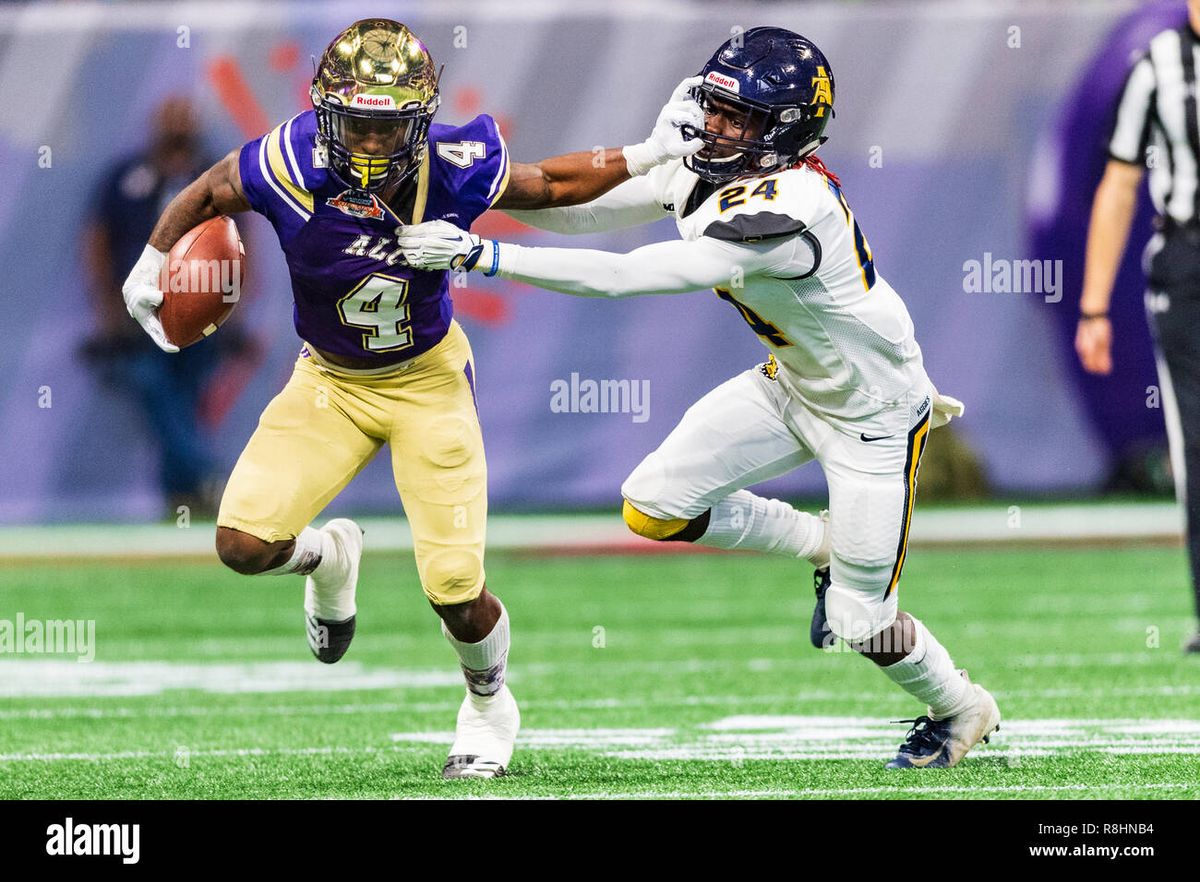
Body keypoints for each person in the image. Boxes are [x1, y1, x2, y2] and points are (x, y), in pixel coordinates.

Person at [397, 27, 999, 768]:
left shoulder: (793, 205)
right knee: (652, 504)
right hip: (793, 382)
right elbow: (587, 211)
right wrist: (481, 204)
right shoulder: (709, 166)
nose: (715, 127)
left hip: (873, 414)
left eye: (737, 118)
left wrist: (485, 255)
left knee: (858, 620)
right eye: (715, 106)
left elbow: (629, 276)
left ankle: (961, 707)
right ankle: (819, 540)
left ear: (784, 130)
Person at [119, 18, 703, 778]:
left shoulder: (451, 167)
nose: (367, 144)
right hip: (328, 380)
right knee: (242, 545)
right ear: (325, 116)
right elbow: (207, 191)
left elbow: (552, 185)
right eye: (354, 124)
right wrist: (153, 258)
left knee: (457, 592)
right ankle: (330, 559)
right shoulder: (288, 161)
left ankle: (489, 704)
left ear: (419, 124)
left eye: (385, 127)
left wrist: (648, 155)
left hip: (426, 383)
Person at [1077, 0, 1200, 653]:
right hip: (1188, 261)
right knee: (1196, 441)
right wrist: (1093, 306)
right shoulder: (1156, 64)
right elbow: (1119, 185)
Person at [83, 96, 222, 516]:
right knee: (156, 392)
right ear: (155, 126)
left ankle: (181, 502)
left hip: (201, 306)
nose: (179, 127)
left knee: (186, 399)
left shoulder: (211, 175)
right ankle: (207, 475)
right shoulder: (127, 176)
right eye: (171, 119)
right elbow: (98, 241)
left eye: (185, 118)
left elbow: (238, 240)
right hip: (139, 312)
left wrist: (233, 303)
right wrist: (107, 307)